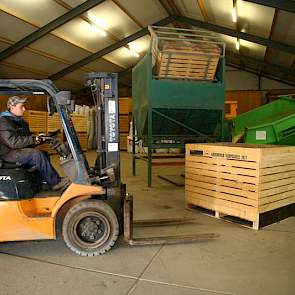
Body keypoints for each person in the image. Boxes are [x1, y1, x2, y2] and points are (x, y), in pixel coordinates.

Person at [0, 96, 69, 191]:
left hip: (16, 151)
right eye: (21, 107)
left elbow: (26, 140)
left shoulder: (21, 122)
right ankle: (55, 183)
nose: (24, 109)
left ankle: (44, 181)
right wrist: (32, 139)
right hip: (7, 153)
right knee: (36, 155)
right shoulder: (4, 121)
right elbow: (13, 142)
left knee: (44, 154)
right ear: (12, 106)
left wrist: (39, 138)